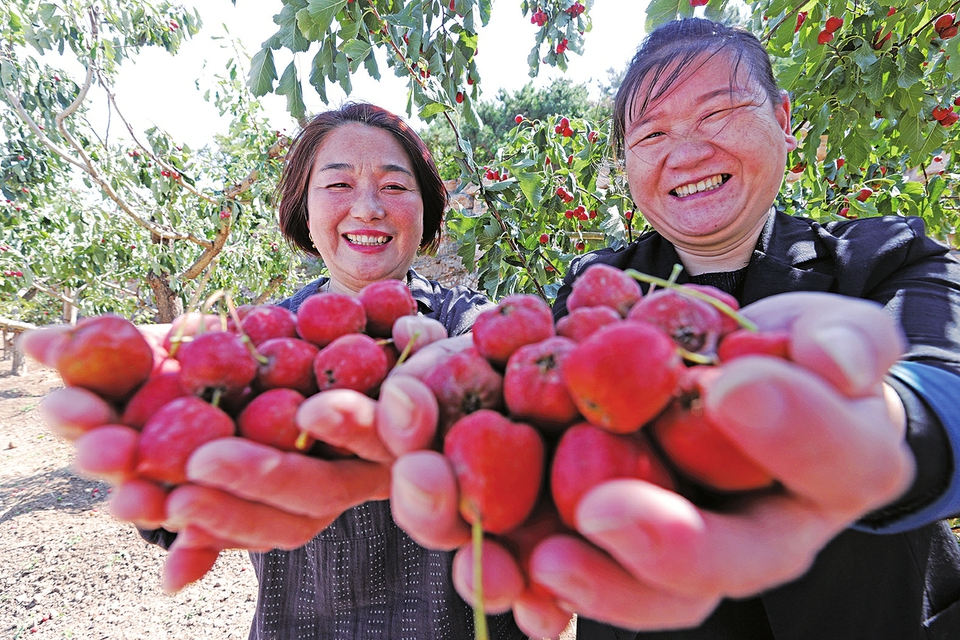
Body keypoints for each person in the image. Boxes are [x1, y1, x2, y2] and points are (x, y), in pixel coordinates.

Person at [387, 18, 960, 640]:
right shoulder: (596, 296)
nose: (687, 153)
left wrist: (880, 417)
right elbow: (536, 456)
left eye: (717, 114)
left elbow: (943, 392)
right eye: (653, 132)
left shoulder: (889, 254)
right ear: (628, 160)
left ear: (785, 121)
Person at [25, 103, 529, 639]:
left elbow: (505, 361)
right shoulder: (253, 342)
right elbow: (182, 501)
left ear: (426, 209)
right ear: (304, 214)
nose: (368, 207)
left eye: (395, 187)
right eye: (337, 184)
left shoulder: (466, 325)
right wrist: (167, 466)